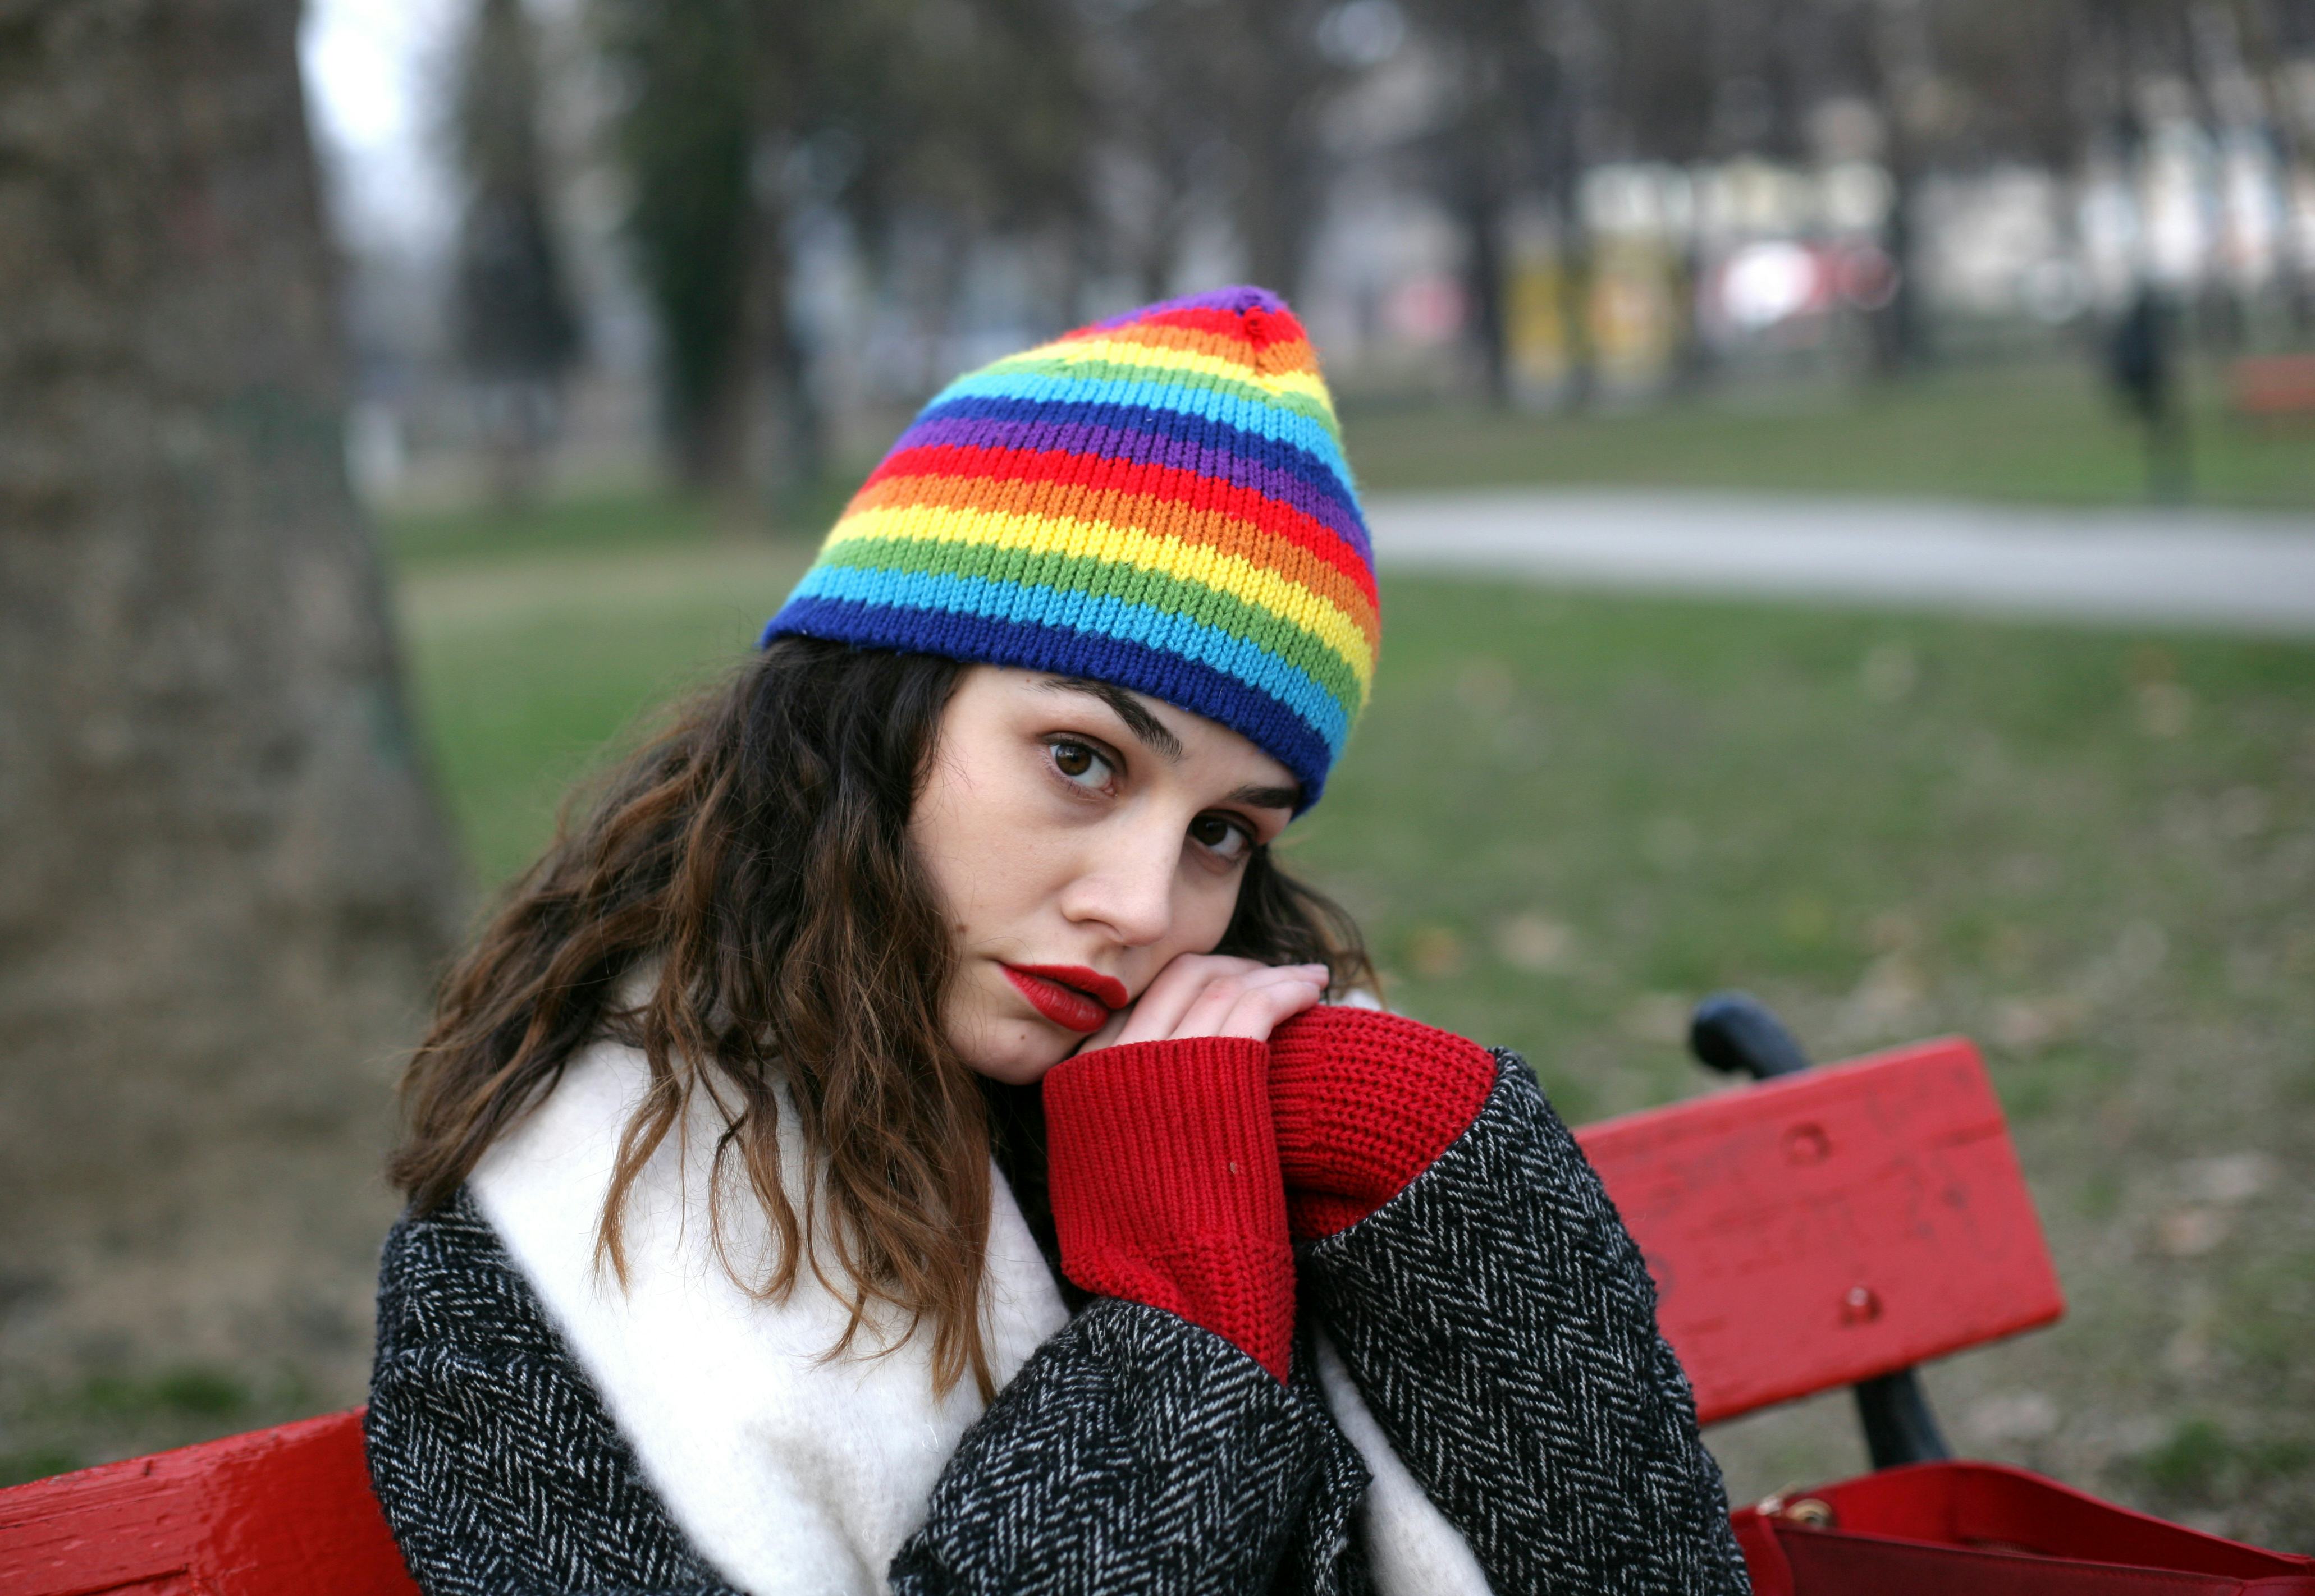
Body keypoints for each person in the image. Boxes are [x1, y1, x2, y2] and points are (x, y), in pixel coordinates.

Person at [364, 286, 1749, 1595]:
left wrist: (1436, 1160)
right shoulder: (541, 1268)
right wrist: (1178, 1336)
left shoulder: (1284, 1105)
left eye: (1225, 832)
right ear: (867, 719)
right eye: (1081, 759)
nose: (1143, 908)